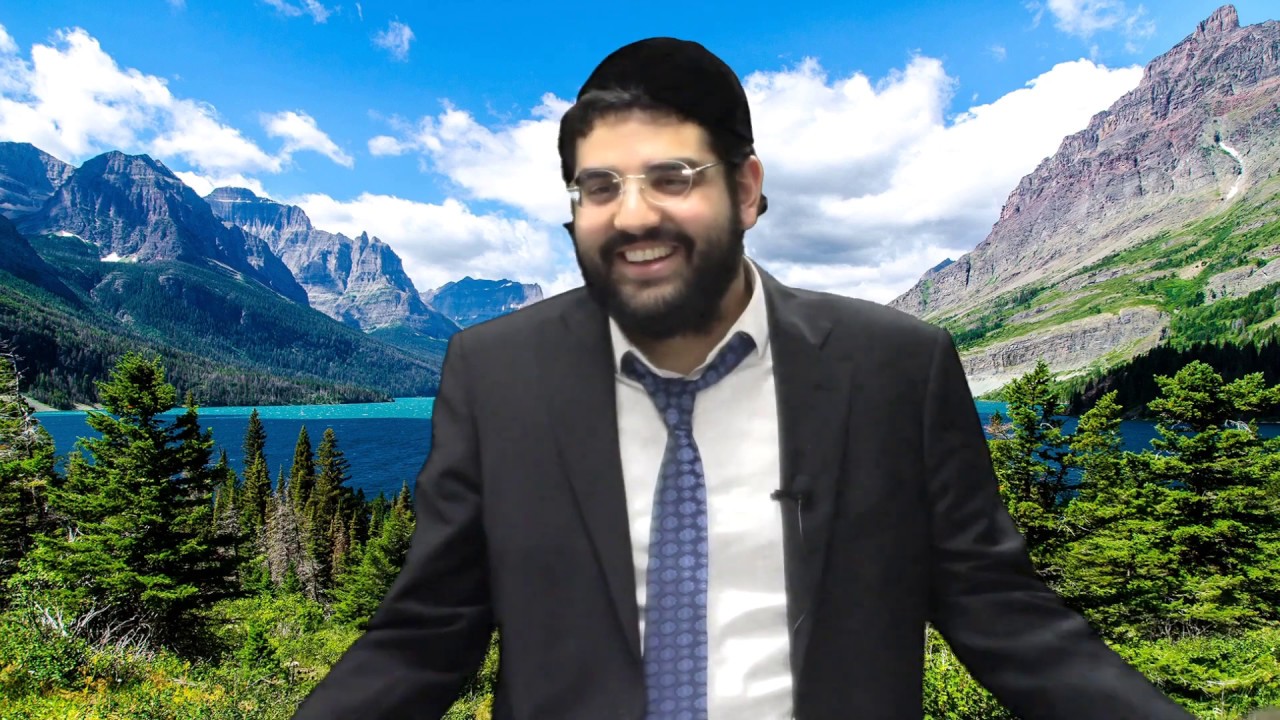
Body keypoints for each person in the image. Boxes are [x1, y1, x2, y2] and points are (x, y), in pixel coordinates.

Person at [291, 37, 1195, 719]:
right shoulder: (494, 371)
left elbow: (1003, 616)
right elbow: (426, 635)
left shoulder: (897, 367)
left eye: (672, 177)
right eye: (598, 188)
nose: (631, 216)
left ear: (748, 189)